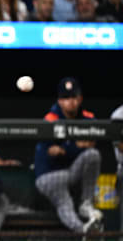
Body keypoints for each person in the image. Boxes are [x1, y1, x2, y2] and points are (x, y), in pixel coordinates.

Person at [35, 77, 103, 233]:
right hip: (49, 175)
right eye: (65, 98)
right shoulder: (50, 119)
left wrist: (66, 148)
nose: (70, 102)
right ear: (59, 100)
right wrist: (76, 146)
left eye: (73, 97)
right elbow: (52, 152)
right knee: (65, 202)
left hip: (71, 172)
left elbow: (90, 144)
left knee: (93, 154)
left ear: (80, 98)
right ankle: (84, 232)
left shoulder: (88, 118)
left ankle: (86, 203)